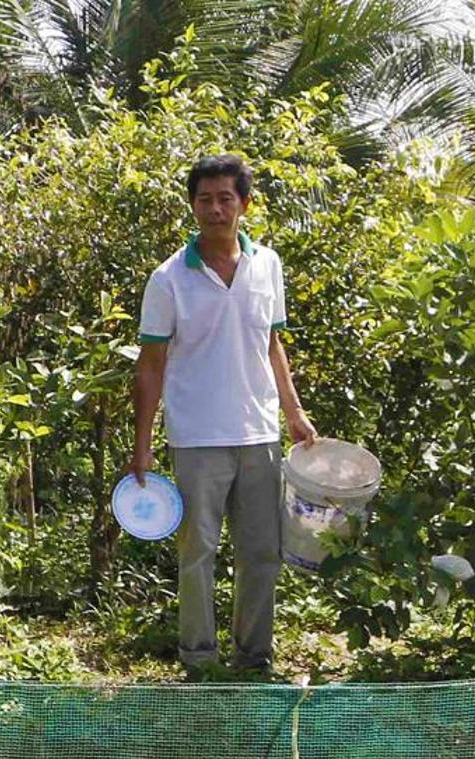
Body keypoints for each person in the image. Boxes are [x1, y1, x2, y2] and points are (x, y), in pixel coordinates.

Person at [131, 154, 317, 674]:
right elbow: (150, 365)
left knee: (262, 552)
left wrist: (294, 413)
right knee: (198, 553)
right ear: (192, 206)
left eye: (225, 199)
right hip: (196, 437)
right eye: (205, 199)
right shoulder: (169, 278)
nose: (215, 209)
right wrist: (142, 445)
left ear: (245, 204)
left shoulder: (267, 265)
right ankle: (199, 660)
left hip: (260, 434)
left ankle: (253, 659)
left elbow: (272, 345)